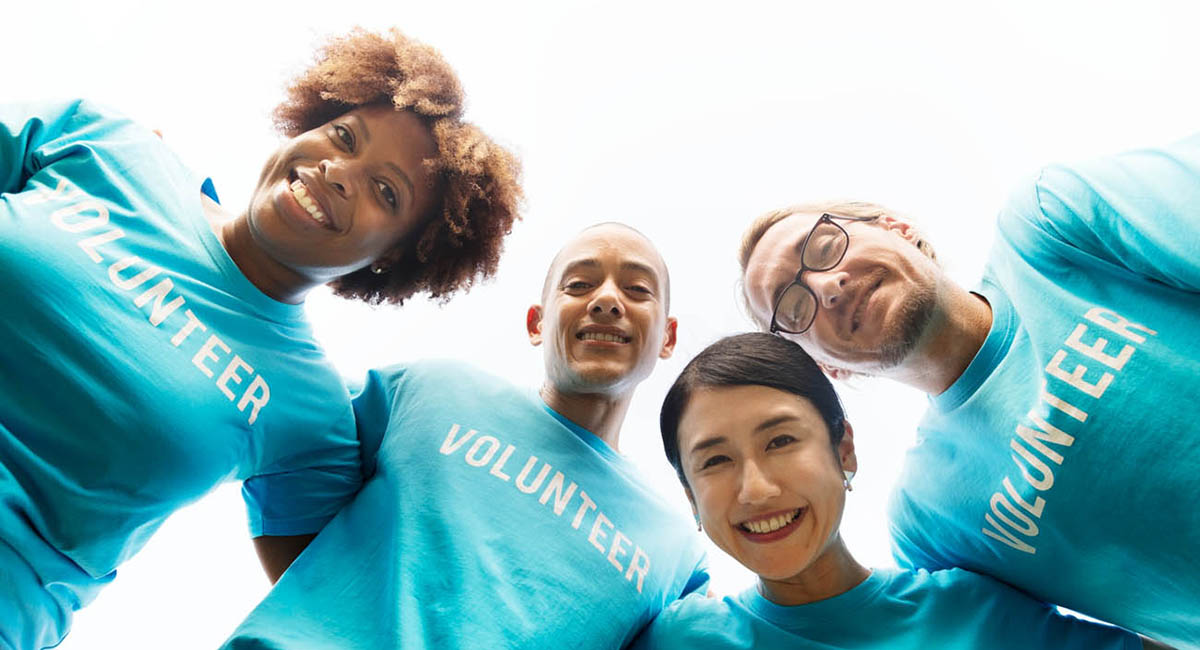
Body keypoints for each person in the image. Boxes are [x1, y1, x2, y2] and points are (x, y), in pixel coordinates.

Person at [0, 28, 521, 649]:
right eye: (344, 136)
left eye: (386, 192)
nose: (338, 171)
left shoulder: (309, 414)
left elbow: (355, 614)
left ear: (397, 256)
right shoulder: (107, 143)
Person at [736, 136, 1200, 648]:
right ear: (826, 367)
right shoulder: (930, 522)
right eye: (795, 309)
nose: (826, 287)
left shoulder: (1051, 225)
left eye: (824, 248)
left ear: (898, 229)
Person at [223, 223, 709, 649]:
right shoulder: (428, 390)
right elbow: (285, 426)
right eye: (579, 284)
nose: (606, 300)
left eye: (638, 290)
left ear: (667, 338)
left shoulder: (677, 551)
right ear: (536, 323)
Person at [640, 332, 1153, 649]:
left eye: (780, 440)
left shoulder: (972, 610)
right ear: (691, 498)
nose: (756, 488)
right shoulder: (679, 638)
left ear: (844, 450)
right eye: (716, 461)